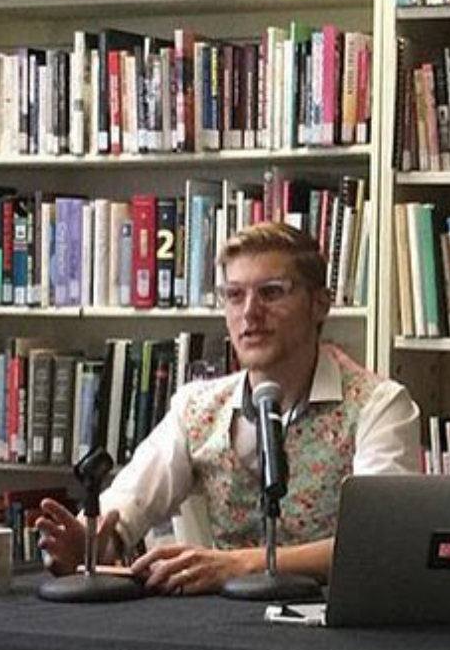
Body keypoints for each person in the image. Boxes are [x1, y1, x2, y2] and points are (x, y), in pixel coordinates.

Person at [36, 221, 421, 595]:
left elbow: (382, 543)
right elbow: (126, 508)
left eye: (271, 292)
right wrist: (89, 544)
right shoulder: (198, 406)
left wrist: (240, 564)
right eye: (234, 295)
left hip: (340, 630)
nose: (250, 313)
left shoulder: (378, 406)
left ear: (320, 304)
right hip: (226, 632)